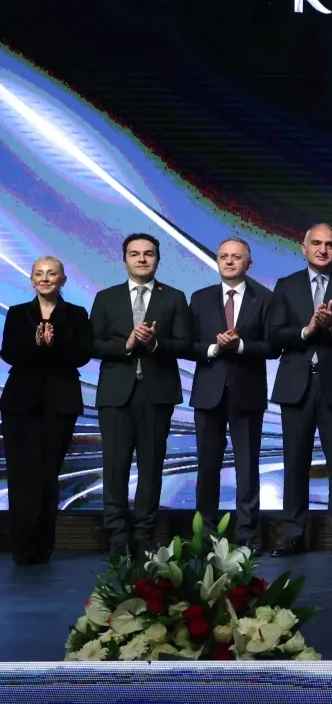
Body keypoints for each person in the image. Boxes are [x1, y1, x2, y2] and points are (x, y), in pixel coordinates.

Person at [89, 233, 192, 557]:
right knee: (114, 468)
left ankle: (144, 535)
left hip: (157, 394)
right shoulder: (106, 298)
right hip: (115, 395)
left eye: (149, 253)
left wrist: (155, 344)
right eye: (135, 254)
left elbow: (186, 344)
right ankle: (118, 537)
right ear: (124, 260)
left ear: (158, 260)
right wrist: (128, 345)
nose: (142, 259)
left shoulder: (174, 297)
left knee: (151, 468)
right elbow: (92, 344)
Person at [269, 224, 332, 557]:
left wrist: (330, 327)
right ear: (304, 247)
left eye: (329, 245)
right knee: (295, 463)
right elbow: (274, 336)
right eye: (316, 243)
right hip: (295, 386)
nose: (322, 250)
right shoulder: (286, 285)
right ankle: (293, 535)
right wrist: (307, 329)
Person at [1, 256, 91, 564]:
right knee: (21, 475)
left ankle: (43, 548)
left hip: (60, 402)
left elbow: (82, 355)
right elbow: (9, 353)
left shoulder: (77, 314)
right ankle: (23, 549)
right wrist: (35, 344)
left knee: (48, 475)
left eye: (52, 273)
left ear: (62, 279)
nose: (45, 278)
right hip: (20, 405)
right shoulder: (17, 313)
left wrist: (54, 345)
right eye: (39, 273)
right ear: (31, 280)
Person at [188, 238, 275, 549]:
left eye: (236, 257)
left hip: (247, 393)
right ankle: (205, 536)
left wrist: (239, 346)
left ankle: (248, 536)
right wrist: (214, 348)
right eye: (223, 256)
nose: (228, 261)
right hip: (208, 393)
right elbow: (187, 344)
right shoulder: (200, 298)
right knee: (206, 466)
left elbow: (273, 346)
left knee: (247, 468)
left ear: (248, 264)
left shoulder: (265, 298)